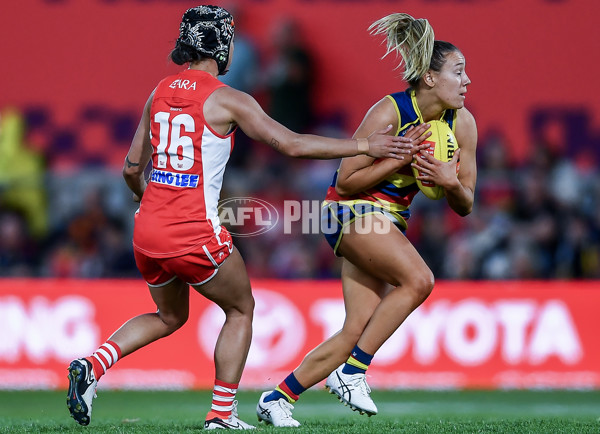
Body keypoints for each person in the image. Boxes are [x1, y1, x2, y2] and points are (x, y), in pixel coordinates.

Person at [65, 5, 428, 430]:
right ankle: (222, 414)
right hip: (193, 231)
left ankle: (93, 364)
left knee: (169, 316)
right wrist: (367, 146)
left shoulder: (158, 91)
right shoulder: (227, 99)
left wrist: (147, 202)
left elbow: (131, 168)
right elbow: (291, 144)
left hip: (146, 231)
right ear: (221, 46)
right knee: (241, 308)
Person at [256, 12, 477, 426]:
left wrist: (450, 183)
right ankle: (354, 372)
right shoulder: (390, 111)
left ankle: (278, 398)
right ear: (429, 78)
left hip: (388, 220)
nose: (467, 82)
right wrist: (399, 155)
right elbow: (344, 182)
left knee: (356, 330)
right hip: (346, 210)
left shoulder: (462, 125)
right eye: (459, 72)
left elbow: (465, 204)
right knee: (420, 280)